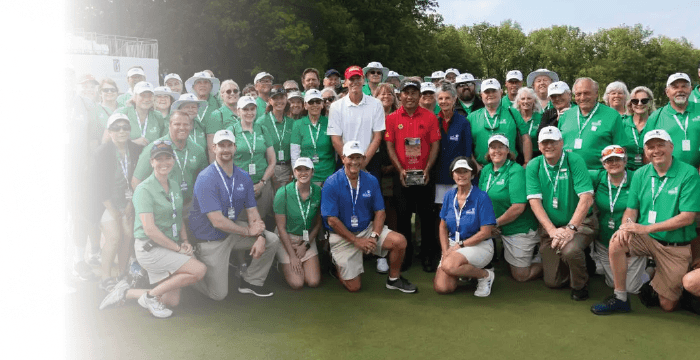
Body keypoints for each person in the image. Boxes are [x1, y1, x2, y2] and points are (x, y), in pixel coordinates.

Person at [591, 129, 700, 314]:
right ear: (645, 152)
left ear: (671, 147)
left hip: (674, 245)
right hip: (647, 238)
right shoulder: (641, 173)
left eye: (660, 145)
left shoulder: (688, 173)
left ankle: (661, 279)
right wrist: (626, 226)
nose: (655, 150)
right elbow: (632, 209)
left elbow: (688, 217)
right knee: (617, 241)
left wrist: (645, 228)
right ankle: (620, 298)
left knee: (667, 306)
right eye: (650, 147)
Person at [99, 141, 207, 318]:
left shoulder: (174, 185)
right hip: (150, 249)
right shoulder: (143, 189)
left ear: (173, 160)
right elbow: (150, 230)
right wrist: (179, 249)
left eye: (168, 158)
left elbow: (177, 216)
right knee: (199, 270)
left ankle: (126, 292)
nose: (164, 162)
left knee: (171, 301)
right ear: (151, 162)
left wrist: (185, 241)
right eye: (159, 159)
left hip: (169, 245)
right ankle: (149, 296)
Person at [189, 130, 281, 299]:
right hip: (210, 239)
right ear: (213, 148)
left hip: (232, 232)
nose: (225, 149)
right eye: (221, 145)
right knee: (218, 294)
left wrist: (260, 235)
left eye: (229, 145)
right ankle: (185, 277)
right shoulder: (206, 177)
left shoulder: (243, 176)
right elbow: (217, 221)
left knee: (271, 240)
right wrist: (248, 232)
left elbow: (253, 212)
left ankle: (250, 282)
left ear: (235, 147)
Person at [321, 141, 417, 293]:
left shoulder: (371, 180)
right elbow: (331, 220)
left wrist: (374, 236)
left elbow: (380, 211)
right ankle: (336, 264)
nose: (355, 162)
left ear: (363, 159)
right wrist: (356, 241)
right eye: (351, 157)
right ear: (343, 158)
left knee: (399, 241)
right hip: (342, 235)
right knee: (354, 287)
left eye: (358, 157)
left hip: (366, 229)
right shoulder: (331, 183)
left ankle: (394, 279)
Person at [526, 126, 595, 301]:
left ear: (561, 143)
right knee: (553, 282)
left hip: (579, 223)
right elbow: (534, 201)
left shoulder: (574, 160)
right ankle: (580, 262)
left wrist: (570, 229)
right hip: (552, 228)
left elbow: (586, 198)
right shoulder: (534, 165)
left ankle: (580, 284)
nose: (549, 146)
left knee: (570, 249)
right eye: (544, 142)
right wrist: (552, 231)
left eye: (553, 142)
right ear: (539, 145)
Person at [385, 79, 441, 273]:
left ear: (419, 95)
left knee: (426, 218)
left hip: (425, 175)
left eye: (413, 93)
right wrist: (399, 169)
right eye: (406, 93)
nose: (410, 97)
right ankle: (405, 257)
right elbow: (390, 146)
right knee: (403, 218)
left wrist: (427, 168)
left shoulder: (430, 117)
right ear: (400, 95)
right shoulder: (392, 118)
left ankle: (427, 256)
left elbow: (435, 144)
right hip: (402, 176)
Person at [92, 114, 143, 290]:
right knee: (114, 237)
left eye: (125, 127)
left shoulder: (136, 149)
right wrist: (113, 210)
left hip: (128, 201)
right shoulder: (101, 152)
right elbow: (98, 186)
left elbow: (137, 179)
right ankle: (105, 278)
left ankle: (122, 274)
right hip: (105, 203)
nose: (121, 131)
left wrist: (129, 204)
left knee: (128, 236)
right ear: (110, 131)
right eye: (116, 128)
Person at [480, 135, 541, 282]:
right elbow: (480, 200)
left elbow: (518, 207)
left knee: (521, 276)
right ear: (488, 151)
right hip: (494, 226)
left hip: (517, 228)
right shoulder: (486, 170)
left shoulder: (516, 170)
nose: (497, 151)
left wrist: (494, 224)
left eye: (501, 147)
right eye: (493, 147)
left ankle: (546, 258)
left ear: (508, 150)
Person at [131, 110, 208, 226]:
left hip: (190, 209)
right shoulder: (154, 148)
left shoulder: (198, 150)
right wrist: (152, 207)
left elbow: (204, 182)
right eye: (177, 124)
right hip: (163, 210)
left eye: (186, 124)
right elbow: (136, 181)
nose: (182, 128)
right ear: (169, 125)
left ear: (191, 126)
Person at [434, 157, 496, 296]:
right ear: (453, 174)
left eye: (465, 171)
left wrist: (459, 246)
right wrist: (445, 251)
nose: (461, 175)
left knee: (449, 266)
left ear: (472, 174)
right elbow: (443, 227)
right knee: (443, 288)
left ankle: (485, 275)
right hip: (453, 244)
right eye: (458, 171)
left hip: (479, 245)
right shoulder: (449, 195)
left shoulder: (482, 197)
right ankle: (464, 271)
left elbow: (486, 233)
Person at [589, 145, 646, 295]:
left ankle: (651, 268)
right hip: (604, 240)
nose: (613, 163)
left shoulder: (637, 177)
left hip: (630, 241)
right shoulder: (597, 177)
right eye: (609, 160)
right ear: (603, 163)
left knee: (631, 288)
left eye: (618, 159)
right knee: (613, 283)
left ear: (626, 161)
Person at [327, 65, 385, 180]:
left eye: (358, 78)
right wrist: (349, 162)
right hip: (345, 161)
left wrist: (363, 163)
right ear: (345, 82)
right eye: (351, 79)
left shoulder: (376, 104)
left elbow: (377, 137)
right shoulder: (336, 106)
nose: (355, 82)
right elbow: (335, 139)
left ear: (363, 80)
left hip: (370, 160)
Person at [274, 158, 322, 289]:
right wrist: (292, 256)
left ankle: (297, 261)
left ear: (312, 172)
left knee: (313, 282)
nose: (303, 173)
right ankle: (281, 262)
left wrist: (305, 245)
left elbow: (318, 224)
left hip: (306, 240)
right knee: (297, 284)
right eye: (299, 169)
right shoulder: (282, 193)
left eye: (306, 169)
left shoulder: (318, 192)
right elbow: (281, 228)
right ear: (294, 173)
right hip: (286, 239)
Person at [229, 96, 277, 227]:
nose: (249, 112)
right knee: (242, 221)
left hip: (262, 185)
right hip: (239, 186)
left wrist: (262, 183)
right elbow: (226, 162)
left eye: (252, 109)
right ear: (238, 111)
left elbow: (272, 161)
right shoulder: (231, 131)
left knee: (261, 220)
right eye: (245, 109)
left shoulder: (262, 129)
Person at [558, 77, 624, 170]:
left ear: (596, 94)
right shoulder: (566, 115)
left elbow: (621, 148)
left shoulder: (612, 115)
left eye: (586, 93)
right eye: (578, 94)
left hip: (599, 175)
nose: (582, 98)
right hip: (569, 173)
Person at [468, 78, 532, 167]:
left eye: (494, 91)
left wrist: (527, 162)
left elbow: (525, 138)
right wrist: (476, 166)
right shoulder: (472, 117)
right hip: (482, 169)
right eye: (487, 92)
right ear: (481, 94)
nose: (490, 94)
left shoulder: (513, 113)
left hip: (510, 167)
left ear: (501, 92)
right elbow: (466, 145)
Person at [647, 73, 700, 168]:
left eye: (684, 86)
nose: (680, 90)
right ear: (667, 92)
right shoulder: (656, 116)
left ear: (691, 90)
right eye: (675, 87)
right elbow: (647, 149)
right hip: (669, 174)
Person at [434, 83, 472, 205]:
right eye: (440, 98)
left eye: (447, 98)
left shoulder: (463, 122)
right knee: (441, 211)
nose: (444, 101)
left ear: (454, 99)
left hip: (458, 177)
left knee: (458, 207)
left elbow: (467, 151)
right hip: (438, 176)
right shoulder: (433, 122)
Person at [290, 89, 334, 185]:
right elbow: (295, 153)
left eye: (318, 102)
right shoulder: (298, 124)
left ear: (322, 104)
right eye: (311, 102)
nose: (315, 105)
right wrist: (297, 176)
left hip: (328, 175)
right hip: (307, 177)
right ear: (305, 105)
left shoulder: (330, 122)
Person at [257, 85, 294, 191]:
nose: (279, 101)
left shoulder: (291, 122)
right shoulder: (261, 121)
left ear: (286, 99)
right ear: (270, 101)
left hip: (287, 169)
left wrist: (292, 173)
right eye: (275, 98)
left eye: (282, 97)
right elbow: (259, 149)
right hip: (268, 169)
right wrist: (270, 173)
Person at [113, 81, 164, 146]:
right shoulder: (122, 113)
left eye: (150, 95)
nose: (146, 99)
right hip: (128, 155)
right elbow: (110, 142)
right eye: (143, 95)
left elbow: (163, 140)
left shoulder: (158, 116)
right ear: (134, 97)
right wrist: (132, 143)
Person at [169, 93, 215, 161]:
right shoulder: (172, 127)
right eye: (187, 107)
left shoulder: (202, 127)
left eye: (193, 107)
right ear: (179, 109)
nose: (190, 110)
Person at [620, 86, 656, 170]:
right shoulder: (622, 122)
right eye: (635, 101)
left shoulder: (656, 122)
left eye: (644, 101)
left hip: (650, 170)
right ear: (630, 103)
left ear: (650, 102)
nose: (639, 104)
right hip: (625, 171)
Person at [514, 87, 543, 156]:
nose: (526, 101)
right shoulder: (514, 118)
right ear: (518, 102)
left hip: (537, 155)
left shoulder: (541, 118)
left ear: (534, 101)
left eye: (529, 98)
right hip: (517, 156)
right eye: (523, 99)